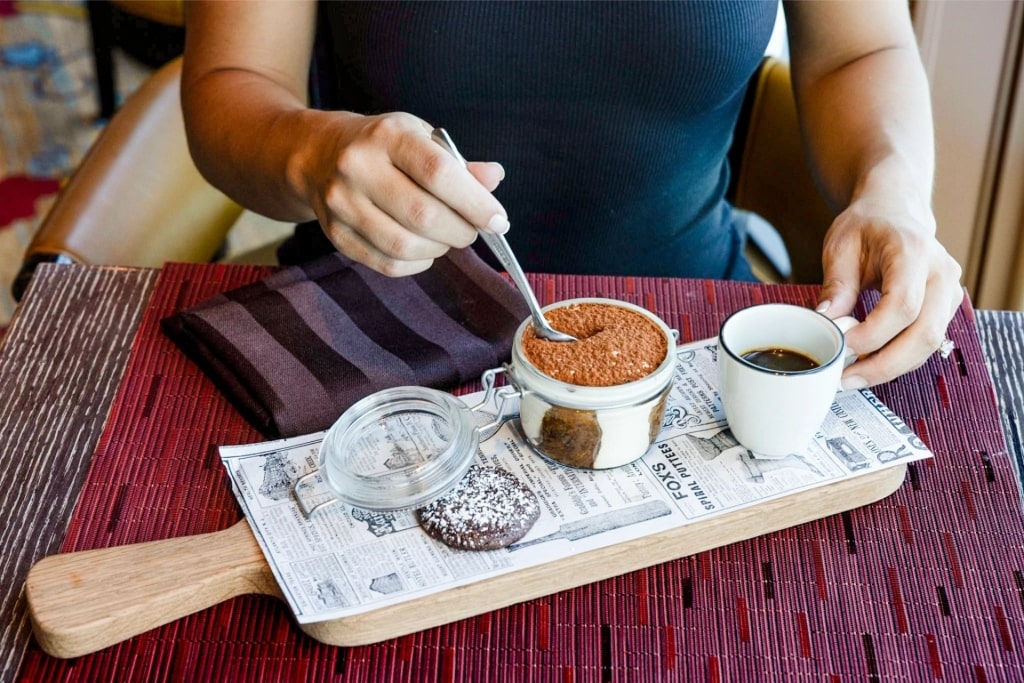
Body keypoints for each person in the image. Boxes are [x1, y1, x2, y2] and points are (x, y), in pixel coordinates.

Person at [180, 0, 963, 391]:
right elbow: (231, 84)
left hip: (696, 335)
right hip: (367, 337)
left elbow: (858, 48)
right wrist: (312, 153)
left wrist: (893, 187)